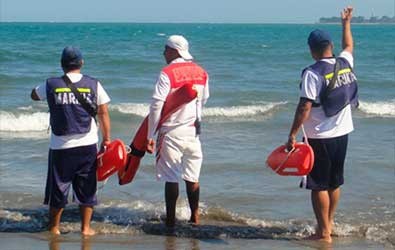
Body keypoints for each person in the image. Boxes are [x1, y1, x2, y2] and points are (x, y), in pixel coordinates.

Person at [285, 7, 358, 243]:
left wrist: (292, 134)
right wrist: (346, 24)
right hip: (343, 133)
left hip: (320, 136)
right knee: (335, 181)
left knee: (318, 186)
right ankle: (330, 223)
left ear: (312, 50)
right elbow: (349, 46)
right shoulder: (344, 61)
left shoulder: (313, 73)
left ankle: (323, 232)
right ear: (330, 46)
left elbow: (304, 107)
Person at [31, 46, 111, 235]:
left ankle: (55, 227)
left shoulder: (51, 84)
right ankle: (85, 228)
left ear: (62, 64)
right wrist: (106, 139)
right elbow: (103, 112)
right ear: (81, 63)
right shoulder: (94, 84)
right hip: (87, 145)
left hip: (60, 146)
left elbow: (34, 95)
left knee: (58, 188)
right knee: (87, 188)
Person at [146, 35, 209, 228]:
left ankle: (171, 222)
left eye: (166, 49)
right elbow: (204, 99)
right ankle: (195, 218)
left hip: (172, 131)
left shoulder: (167, 72)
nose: (163, 52)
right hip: (193, 132)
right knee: (193, 177)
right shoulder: (201, 72)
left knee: (171, 177)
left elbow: (157, 105)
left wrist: (150, 135)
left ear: (174, 50)